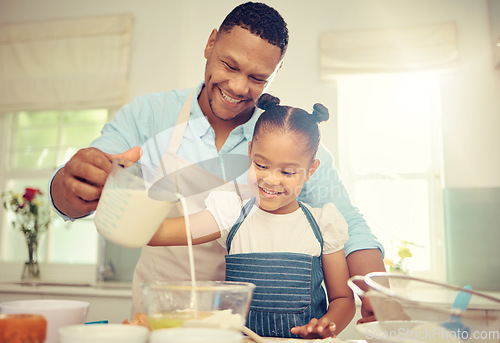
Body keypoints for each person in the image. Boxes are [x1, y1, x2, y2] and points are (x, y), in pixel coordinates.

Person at [48, 1, 384, 322]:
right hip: (159, 317)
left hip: (244, 326)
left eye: (257, 78)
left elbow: (348, 224)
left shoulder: (290, 142)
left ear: (275, 73)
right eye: (230, 65)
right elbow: (81, 191)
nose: (238, 87)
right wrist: (76, 184)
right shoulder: (149, 116)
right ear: (211, 44)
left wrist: (377, 291)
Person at [148, 93, 356, 339]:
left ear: (310, 170)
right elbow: (157, 233)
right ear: (250, 152)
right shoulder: (230, 213)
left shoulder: (323, 223)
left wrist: (324, 327)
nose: (271, 179)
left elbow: (343, 299)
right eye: (261, 165)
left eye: (287, 172)